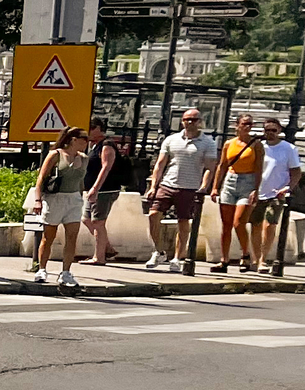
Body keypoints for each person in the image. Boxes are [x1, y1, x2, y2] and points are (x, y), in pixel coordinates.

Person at [144, 107, 218, 269]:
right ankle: (158, 251)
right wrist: (154, 186)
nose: (190, 122)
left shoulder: (208, 143)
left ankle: (177, 257)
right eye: (187, 119)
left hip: (190, 188)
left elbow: (209, 168)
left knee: (183, 222)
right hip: (168, 184)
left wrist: (204, 186)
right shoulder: (171, 140)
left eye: (193, 119)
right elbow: (160, 164)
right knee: (153, 215)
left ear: (200, 122)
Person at [26, 127, 92, 287]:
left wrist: (84, 196)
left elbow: (81, 181)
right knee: (48, 236)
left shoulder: (84, 158)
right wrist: (38, 199)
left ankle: (66, 272)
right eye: (83, 140)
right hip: (55, 198)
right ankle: (41, 269)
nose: (86, 144)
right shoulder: (56, 154)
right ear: (73, 140)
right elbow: (42, 177)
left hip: (74, 199)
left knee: (72, 236)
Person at [203, 114, 265, 272]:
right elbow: (222, 165)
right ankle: (224, 260)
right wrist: (215, 187)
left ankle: (245, 254)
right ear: (237, 125)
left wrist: (256, 189)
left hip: (248, 181)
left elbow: (258, 169)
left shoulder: (256, 145)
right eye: (244, 124)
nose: (248, 127)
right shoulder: (229, 143)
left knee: (239, 222)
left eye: (250, 124)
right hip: (230, 181)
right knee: (226, 224)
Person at [251, 119, 297, 272]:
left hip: (277, 192)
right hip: (258, 191)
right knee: (255, 224)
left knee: (270, 225)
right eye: (267, 130)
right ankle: (256, 258)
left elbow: (296, 171)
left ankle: (263, 259)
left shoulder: (288, 148)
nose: (270, 133)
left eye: (273, 130)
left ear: (279, 131)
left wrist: (288, 188)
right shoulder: (259, 147)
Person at [80, 117, 126, 265]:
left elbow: (106, 167)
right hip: (94, 189)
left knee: (98, 222)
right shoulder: (94, 145)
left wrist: (95, 188)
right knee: (86, 219)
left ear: (99, 128)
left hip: (105, 189)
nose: (88, 132)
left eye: (91, 128)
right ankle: (108, 249)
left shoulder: (106, 145)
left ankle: (99, 257)